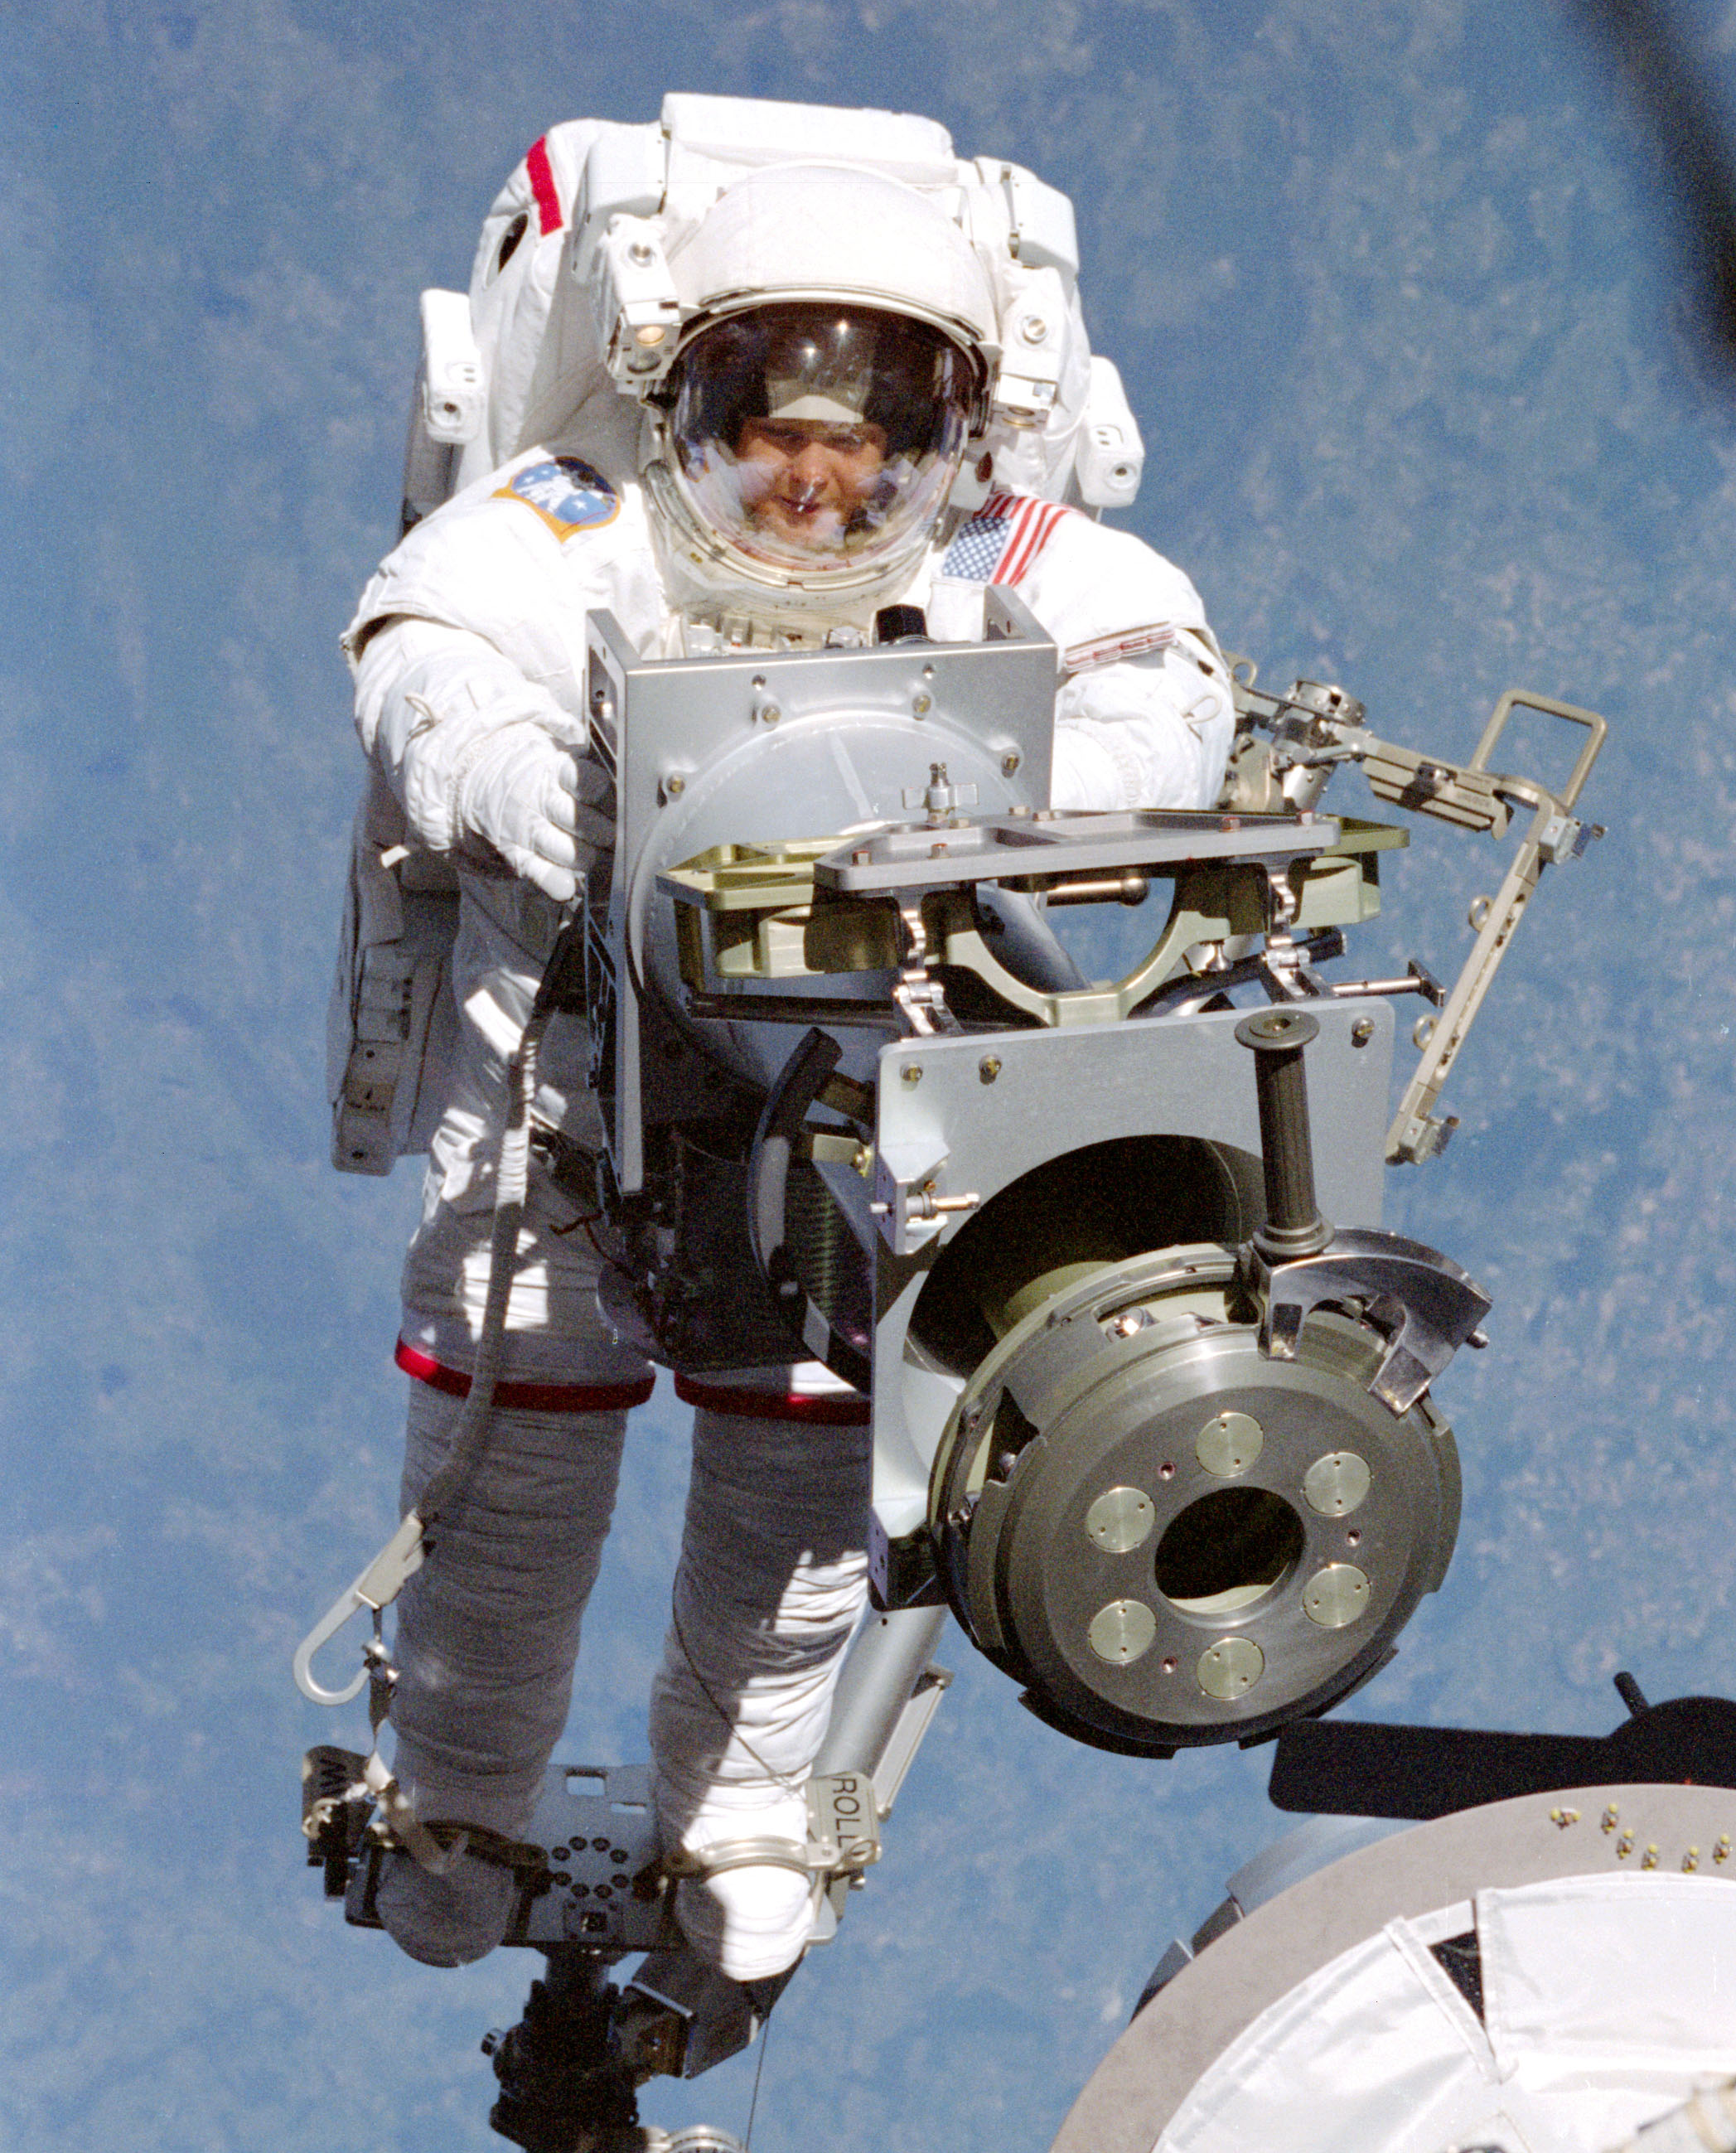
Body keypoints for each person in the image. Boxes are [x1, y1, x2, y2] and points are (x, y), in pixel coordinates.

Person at [341, 129, 1235, 1979]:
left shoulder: (1014, 548)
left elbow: (1166, 688)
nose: (815, 492)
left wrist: (1025, 807)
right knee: (507, 1481)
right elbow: (420, 655)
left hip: (822, 1089)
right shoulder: (568, 522)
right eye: (774, 433)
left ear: (946, 440)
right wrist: (520, 786)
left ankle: (738, 1814)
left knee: (804, 1474)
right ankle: (451, 1802)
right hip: (559, 1076)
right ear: (691, 404)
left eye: (865, 445)